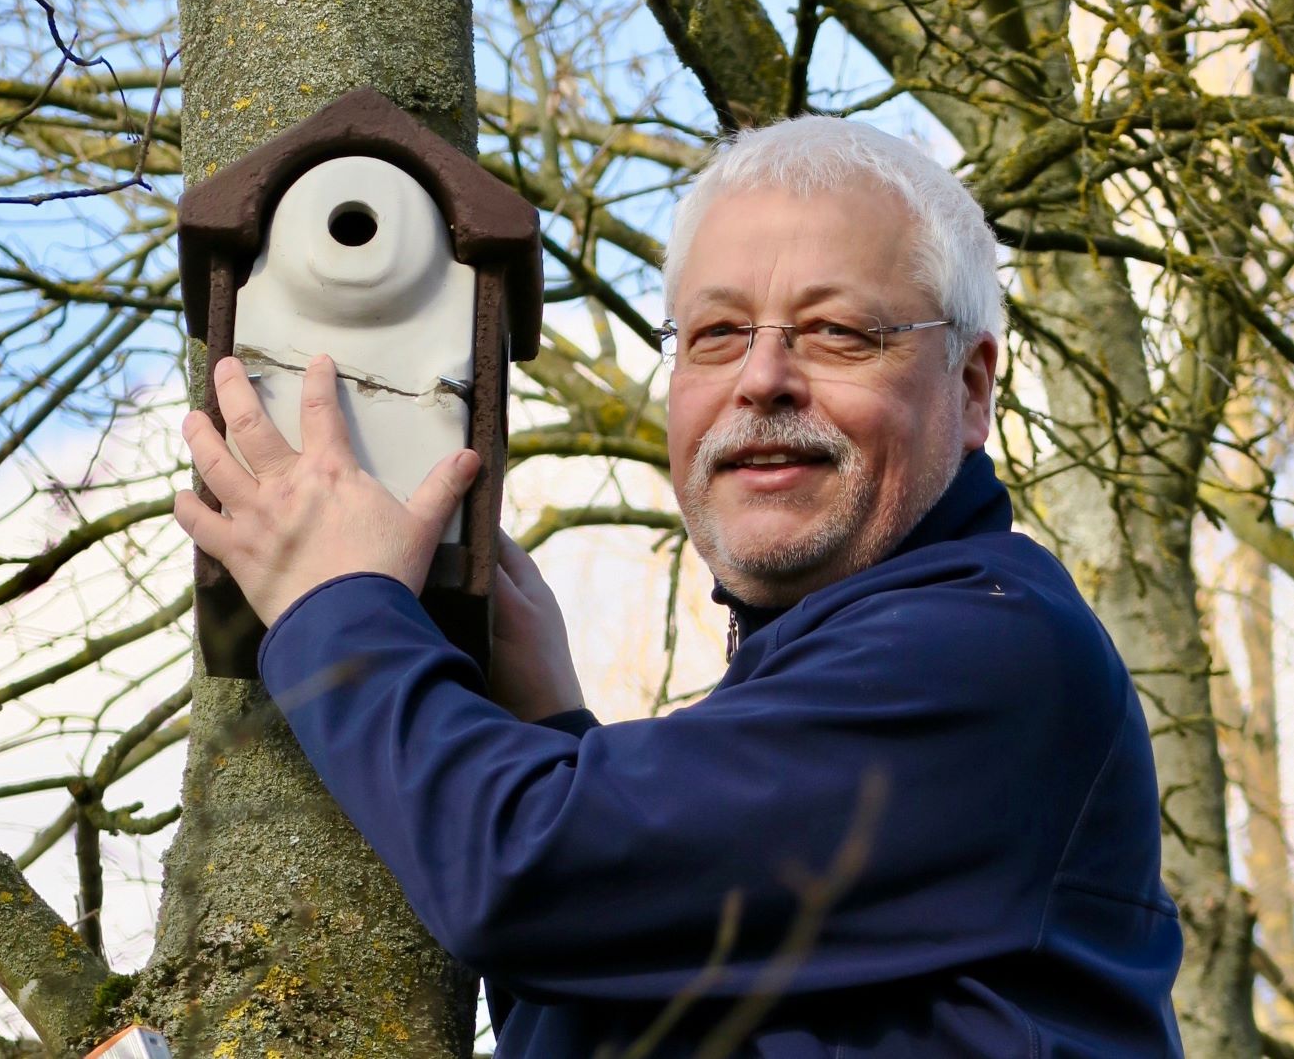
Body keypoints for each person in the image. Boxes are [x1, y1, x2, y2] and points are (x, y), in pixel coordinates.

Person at [174, 116, 1185, 1057]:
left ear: (968, 388)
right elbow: (593, 988)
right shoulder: (811, 692)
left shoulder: (990, 648)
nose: (762, 378)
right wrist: (553, 732)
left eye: (836, 331)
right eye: (714, 334)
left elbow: (522, 879)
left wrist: (338, 611)